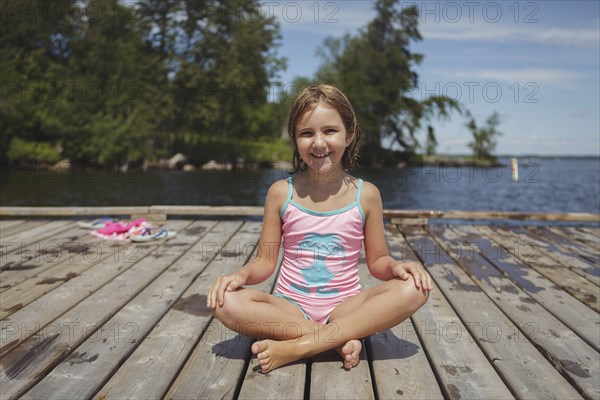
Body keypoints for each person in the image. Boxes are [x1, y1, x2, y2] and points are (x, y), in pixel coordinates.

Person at [207, 84, 432, 373]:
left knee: (416, 288)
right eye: (307, 133)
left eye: (330, 131)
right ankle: (334, 338)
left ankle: (299, 346)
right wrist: (238, 275)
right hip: (290, 308)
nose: (318, 143)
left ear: (349, 134)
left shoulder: (367, 195)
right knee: (223, 302)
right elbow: (265, 261)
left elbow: (377, 262)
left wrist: (398, 267)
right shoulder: (280, 193)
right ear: (295, 138)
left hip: (346, 307)